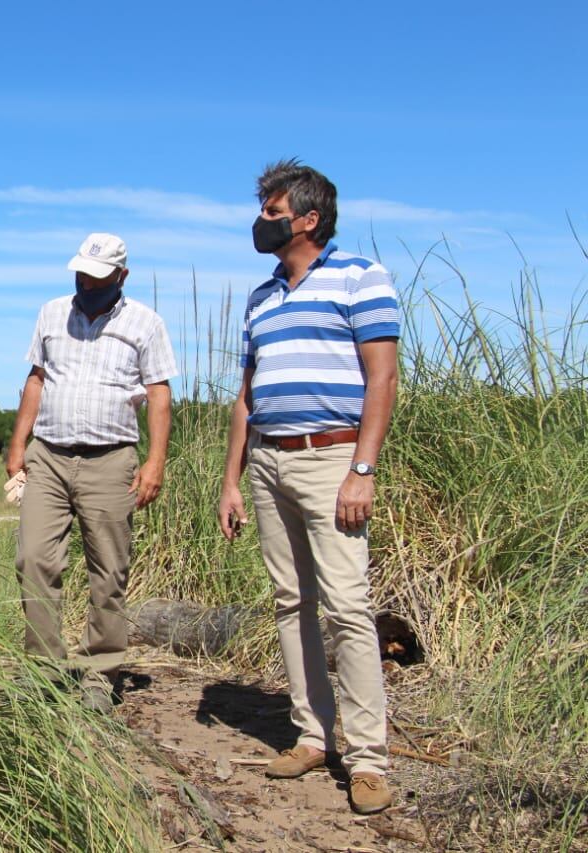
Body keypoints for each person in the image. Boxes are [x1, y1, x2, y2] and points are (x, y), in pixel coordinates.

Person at [217, 159, 399, 814]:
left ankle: (369, 758)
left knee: (348, 605)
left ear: (308, 218)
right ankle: (312, 734)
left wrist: (362, 467)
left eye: (272, 212)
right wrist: (231, 479)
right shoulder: (261, 296)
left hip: (333, 460)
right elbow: (244, 397)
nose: (261, 221)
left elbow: (382, 379)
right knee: (291, 601)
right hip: (268, 462)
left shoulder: (360, 277)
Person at [6, 233, 176, 713]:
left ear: (121, 276)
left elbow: (159, 393)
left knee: (108, 569)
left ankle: (101, 673)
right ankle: (43, 669)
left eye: (98, 278)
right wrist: (18, 443)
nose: (87, 284)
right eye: (81, 274)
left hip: (111, 460)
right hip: (49, 455)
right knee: (34, 560)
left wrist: (154, 462)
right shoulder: (52, 312)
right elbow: (36, 379)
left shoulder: (145, 322)